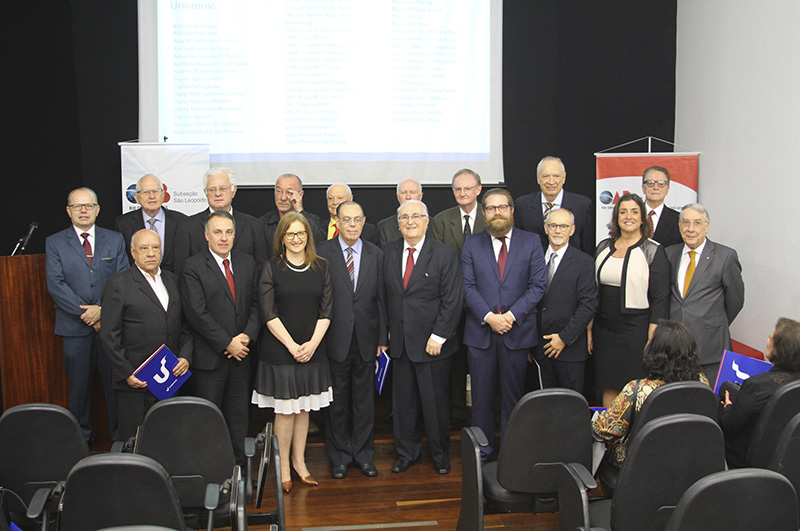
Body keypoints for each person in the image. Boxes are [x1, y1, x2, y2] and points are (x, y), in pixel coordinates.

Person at [461, 188, 546, 460]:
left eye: (502, 207)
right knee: (481, 401)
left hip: (517, 333)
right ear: (483, 213)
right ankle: (482, 452)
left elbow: (537, 286)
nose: (497, 212)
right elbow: (467, 286)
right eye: (491, 208)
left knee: (514, 399)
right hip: (480, 334)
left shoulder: (531, 242)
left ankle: (511, 453)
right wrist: (489, 317)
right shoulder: (472, 244)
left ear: (512, 210)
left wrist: (509, 317)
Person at [252, 212, 333, 493]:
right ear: (282, 238)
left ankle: (300, 462)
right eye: (290, 234)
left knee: (304, 408)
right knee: (286, 411)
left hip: (312, 349)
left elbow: (327, 311)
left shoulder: (321, 267)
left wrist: (311, 344)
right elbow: (268, 313)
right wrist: (292, 346)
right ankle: (283, 466)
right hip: (280, 350)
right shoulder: (271, 268)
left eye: (301, 234)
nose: (296, 239)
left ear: (308, 237)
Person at [383, 200, 463, 474]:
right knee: (403, 406)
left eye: (416, 216)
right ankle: (407, 454)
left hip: (433, 345)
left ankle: (440, 456)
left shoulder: (444, 254)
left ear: (427, 221)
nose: (410, 221)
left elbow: (452, 300)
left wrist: (439, 336)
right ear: (398, 224)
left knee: (435, 406)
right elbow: (383, 298)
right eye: (404, 217)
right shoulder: (388, 252)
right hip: (401, 345)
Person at [45, 187, 129, 442]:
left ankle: (121, 443)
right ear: (68, 211)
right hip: (74, 330)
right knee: (79, 393)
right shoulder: (55, 242)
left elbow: (123, 279)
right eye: (77, 206)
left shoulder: (115, 239)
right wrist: (87, 314)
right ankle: (80, 445)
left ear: (98, 210)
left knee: (116, 389)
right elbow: (55, 285)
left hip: (110, 329)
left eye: (89, 205)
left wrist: (103, 312)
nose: (84, 210)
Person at [181, 211, 261, 465]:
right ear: (206, 235)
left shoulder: (248, 263)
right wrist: (229, 343)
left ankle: (240, 475)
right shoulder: (192, 267)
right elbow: (197, 313)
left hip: (241, 359)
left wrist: (246, 336)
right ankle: (210, 474)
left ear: (235, 235)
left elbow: (257, 305)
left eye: (228, 232)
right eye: (217, 232)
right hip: (210, 360)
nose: (223, 238)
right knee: (208, 421)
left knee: (239, 420)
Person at [100, 229, 192, 441]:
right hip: (136, 382)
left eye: (155, 248)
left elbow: (186, 326)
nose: (151, 253)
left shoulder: (173, 280)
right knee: (135, 442)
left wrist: (185, 356)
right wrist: (126, 373)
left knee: (167, 438)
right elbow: (109, 335)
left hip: (170, 377)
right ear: (133, 252)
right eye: (144, 248)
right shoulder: (118, 285)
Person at [317, 201, 387, 479]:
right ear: (337, 221)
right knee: (336, 403)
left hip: (368, 339)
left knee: (364, 402)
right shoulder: (323, 253)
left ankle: (364, 455)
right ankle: (340, 458)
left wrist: (383, 339)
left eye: (357, 220)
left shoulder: (376, 254)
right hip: (335, 340)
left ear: (364, 221)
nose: (353, 225)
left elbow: (382, 299)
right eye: (347, 220)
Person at [593, 320, 709, 468]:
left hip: (639, 468)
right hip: (687, 464)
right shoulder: (702, 383)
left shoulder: (637, 390)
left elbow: (603, 430)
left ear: (655, 352)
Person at [592, 192, 670, 407]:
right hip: (604, 327)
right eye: (623, 211)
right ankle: (610, 435)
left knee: (634, 384)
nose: (629, 216)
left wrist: (651, 339)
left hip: (636, 328)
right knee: (608, 382)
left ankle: (633, 438)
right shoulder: (602, 247)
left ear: (642, 217)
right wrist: (589, 330)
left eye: (634, 211)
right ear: (616, 216)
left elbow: (660, 299)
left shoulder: (653, 251)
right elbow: (591, 292)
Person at [666, 203, 745, 382]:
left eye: (697, 223)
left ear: (707, 226)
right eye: (685, 223)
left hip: (710, 347)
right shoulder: (669, 254)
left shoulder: (725, 256)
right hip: (675, 345)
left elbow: (736, 300)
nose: (691, 229)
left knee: (708, 401)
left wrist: (713, 322)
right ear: (679, 227)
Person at [431, 168, 484, 430]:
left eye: (467, 188)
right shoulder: (441, 220)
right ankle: (455, 408)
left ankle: (482, 411)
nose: (462, 193)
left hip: (485, 307)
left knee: (480, 359)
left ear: (478, 190)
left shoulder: (491, 216)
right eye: (457, 189)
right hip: (451, 304)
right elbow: (438, 264)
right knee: (453, 360)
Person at [720, 318, 800, 468]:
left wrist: (727, 408)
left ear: (778, 348)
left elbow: (730, 425)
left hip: (744, 462)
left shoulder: (756, 385)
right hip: (786, 460)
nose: (767, 340)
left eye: (770, 337)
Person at [533, 208, 597, 393]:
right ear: (546, 228)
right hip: (539, 349)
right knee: (543, 404)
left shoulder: (584, 262)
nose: (558, 230)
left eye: (563, 226)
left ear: (572, 229)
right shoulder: (534, 259)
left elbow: (588, 305)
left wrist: (564, 338)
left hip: (570, 349)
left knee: (570, 406)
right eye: (553, 225)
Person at [173, 167, 265, 269]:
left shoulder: (254, 226)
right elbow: (180, 269)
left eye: (222, 188)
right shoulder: (187, 227)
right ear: (205, 193)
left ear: (233, 191)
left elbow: (261, 268)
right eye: (212, 189)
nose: (217, 194)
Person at [515, 156, 594, 255]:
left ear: (564, 177)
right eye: (545, 176)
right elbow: (518, 244)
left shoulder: (582, 205)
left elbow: (587, 246)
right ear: (538, 178)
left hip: (570, 267)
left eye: (556, 176)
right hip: (532, 267)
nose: (551, 182)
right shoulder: (522, 205)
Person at [114, 174, 187, 272]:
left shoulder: (182, 221)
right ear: (136, 197)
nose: (152, 196)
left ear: (163, 195)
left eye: (156, 191)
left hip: (175, 284)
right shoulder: (123, 224)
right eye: (146, 192)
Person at [260, 173, 325, 257]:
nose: (283, 198)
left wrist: (300, 210)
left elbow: (319, 243)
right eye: (279, 191)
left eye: (289, 192)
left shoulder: (312, 220)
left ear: (300, 195)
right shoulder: (263, 223)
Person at [376, 178, 426, 246]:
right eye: (404, 192)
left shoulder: (433, 225)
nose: (408, 197)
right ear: (398, 197)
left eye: (412, 192)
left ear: (420, 196)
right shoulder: (384, 227)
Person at [641, 166, 682, 247]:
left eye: (661, 184)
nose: (655, 187)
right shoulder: (632, 216)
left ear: (667, 189)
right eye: (650, 183)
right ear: (643, 188)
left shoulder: (678, 219)